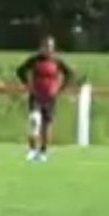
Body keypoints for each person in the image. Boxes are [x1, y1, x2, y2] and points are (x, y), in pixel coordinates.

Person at [15, 35, 74, 163]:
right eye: (46, 46)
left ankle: (43, 151)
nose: (48, 49)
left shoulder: (57, 61)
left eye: (51, 47)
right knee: (34, 121)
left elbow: (69, 74)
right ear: (41, 47)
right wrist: (28, 85)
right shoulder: (34, 60)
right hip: (36, 95)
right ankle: (32, 150)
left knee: (46, 126)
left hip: (50, 97)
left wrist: (59, 88)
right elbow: (20, 71)